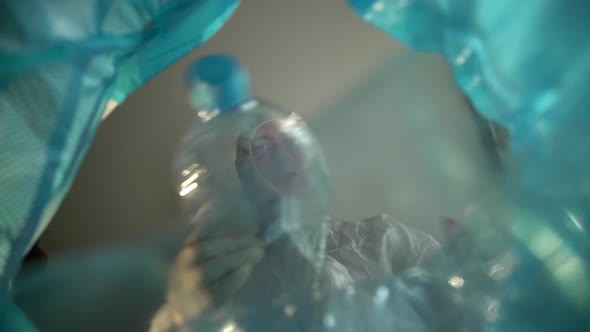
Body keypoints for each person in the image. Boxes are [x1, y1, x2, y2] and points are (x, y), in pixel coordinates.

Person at [153, 110, 441, 330]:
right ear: (245, 170)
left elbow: (460, 291)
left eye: (292, 140)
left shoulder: (382, 237)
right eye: (263, 147)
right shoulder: (225, 275)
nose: (284, 155)